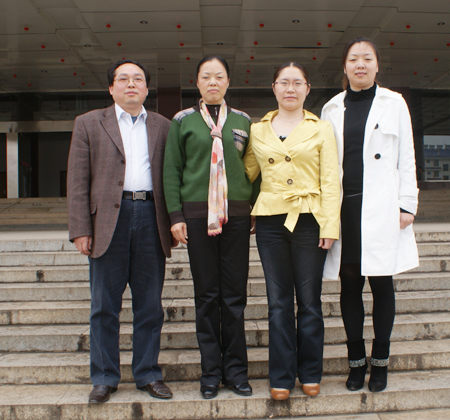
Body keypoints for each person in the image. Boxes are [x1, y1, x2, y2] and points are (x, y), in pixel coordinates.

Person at [67, 59, 175, 404]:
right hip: (107, 221)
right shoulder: (88, 123)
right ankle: (104, 377)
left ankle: (148, 374)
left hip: (150, 216)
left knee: (150, 305)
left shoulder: (163, 126)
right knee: (104, 305)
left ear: (146, 88)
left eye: (138, 79)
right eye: (123, 79)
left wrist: (174, 219)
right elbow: (77, 180)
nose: (131, 84)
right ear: (111, 88)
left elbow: (172, 176)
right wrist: (80, 228)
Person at [321, 37, 419, 393]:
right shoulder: (331, 108)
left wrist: (407, 203)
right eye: (353, 59)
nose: (360, 64)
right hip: (345, 208)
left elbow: (406, 154)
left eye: (367, 58)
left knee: (381, 283)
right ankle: (355, 361)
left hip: (382, 207)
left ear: (377, 65)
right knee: (349, 284)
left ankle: (380, 361)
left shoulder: (394, 103)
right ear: (345, 67)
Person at [244, 62, 340, 400]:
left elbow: (331, 180)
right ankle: (281, 376)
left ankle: (310, 372)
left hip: (309, 219)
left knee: (310, 301)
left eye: (297, 83)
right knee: (278, 303)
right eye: (284, 82)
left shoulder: (322, 128)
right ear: (273, 88)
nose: (290, 88)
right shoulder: (258, 130)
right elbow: (246, 174)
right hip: (270, 221)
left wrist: (330, 224)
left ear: (307, 89)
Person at [163, 56, 253, 399]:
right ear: (197, 82)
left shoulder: (243, 121)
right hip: (198, 216)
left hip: (236, 216)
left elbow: (254, 168)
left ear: (228, 81)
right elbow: (172, 169)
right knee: (207, 296)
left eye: (219, 76)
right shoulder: (182, 121)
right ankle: (211, 373)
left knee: (234, 295)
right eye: (206, 77)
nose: (213, 82)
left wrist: (255, 206)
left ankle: (237, 371)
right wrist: (176, 215)